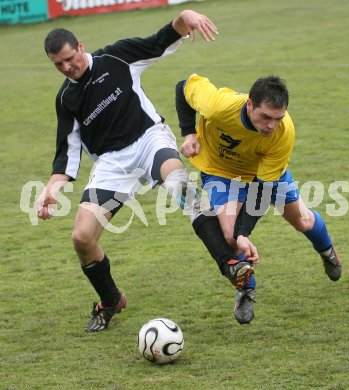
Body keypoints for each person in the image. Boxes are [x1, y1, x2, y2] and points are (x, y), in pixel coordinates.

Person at [36, 10, 220, 333]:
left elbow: (158, 41)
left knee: (181, 186)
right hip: (112, 165)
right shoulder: (66, 99)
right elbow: (66, 152)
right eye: (58, 65)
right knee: (82, 238)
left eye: (69, 58)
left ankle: (229, 260)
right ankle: (110, 300)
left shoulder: (115, 58)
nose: (67, 67)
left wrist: (184, 17)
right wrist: (51, 188)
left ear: (80, 46)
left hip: (149, 139)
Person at [175, 73, 342, 325]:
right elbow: (183, 86)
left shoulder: (283, 133)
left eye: (278, 118)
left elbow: (261, 192)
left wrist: (246, 232)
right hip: (222, 172)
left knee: (303, 221)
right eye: (265, 117)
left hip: (262, 175)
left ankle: (327, 250)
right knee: (230, 235)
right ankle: (246, 288)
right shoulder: (219, 105)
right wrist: (189, 133)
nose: (271, 125)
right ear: (249, 104)